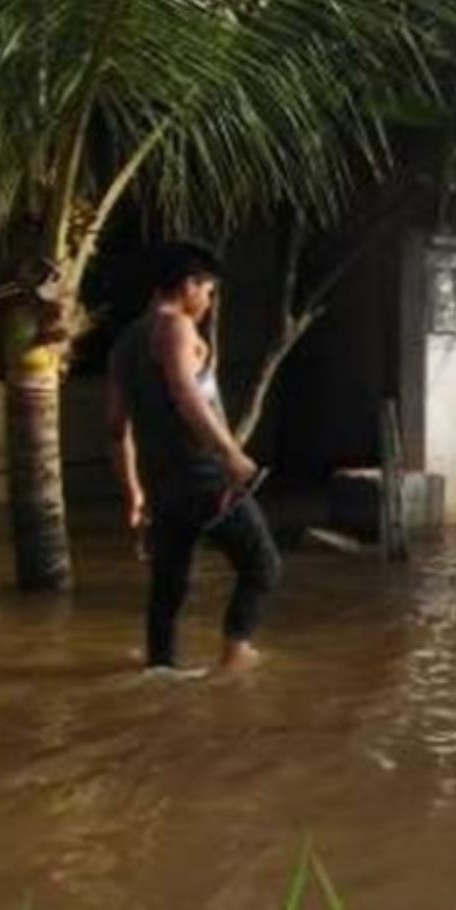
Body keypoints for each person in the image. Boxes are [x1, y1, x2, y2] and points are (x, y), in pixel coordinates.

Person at [107, 241, 279, 673]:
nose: (208, 301)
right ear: (188, 285)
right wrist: (231, 454)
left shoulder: (123, 345)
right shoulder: (175, 328)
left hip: (161, 484)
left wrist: (134, 492)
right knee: (262, 565)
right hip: (203, 475)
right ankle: (236, 652)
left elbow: (115, 428)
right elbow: (187, 396)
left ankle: (160, 667)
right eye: (207, 290)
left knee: (169, 585)